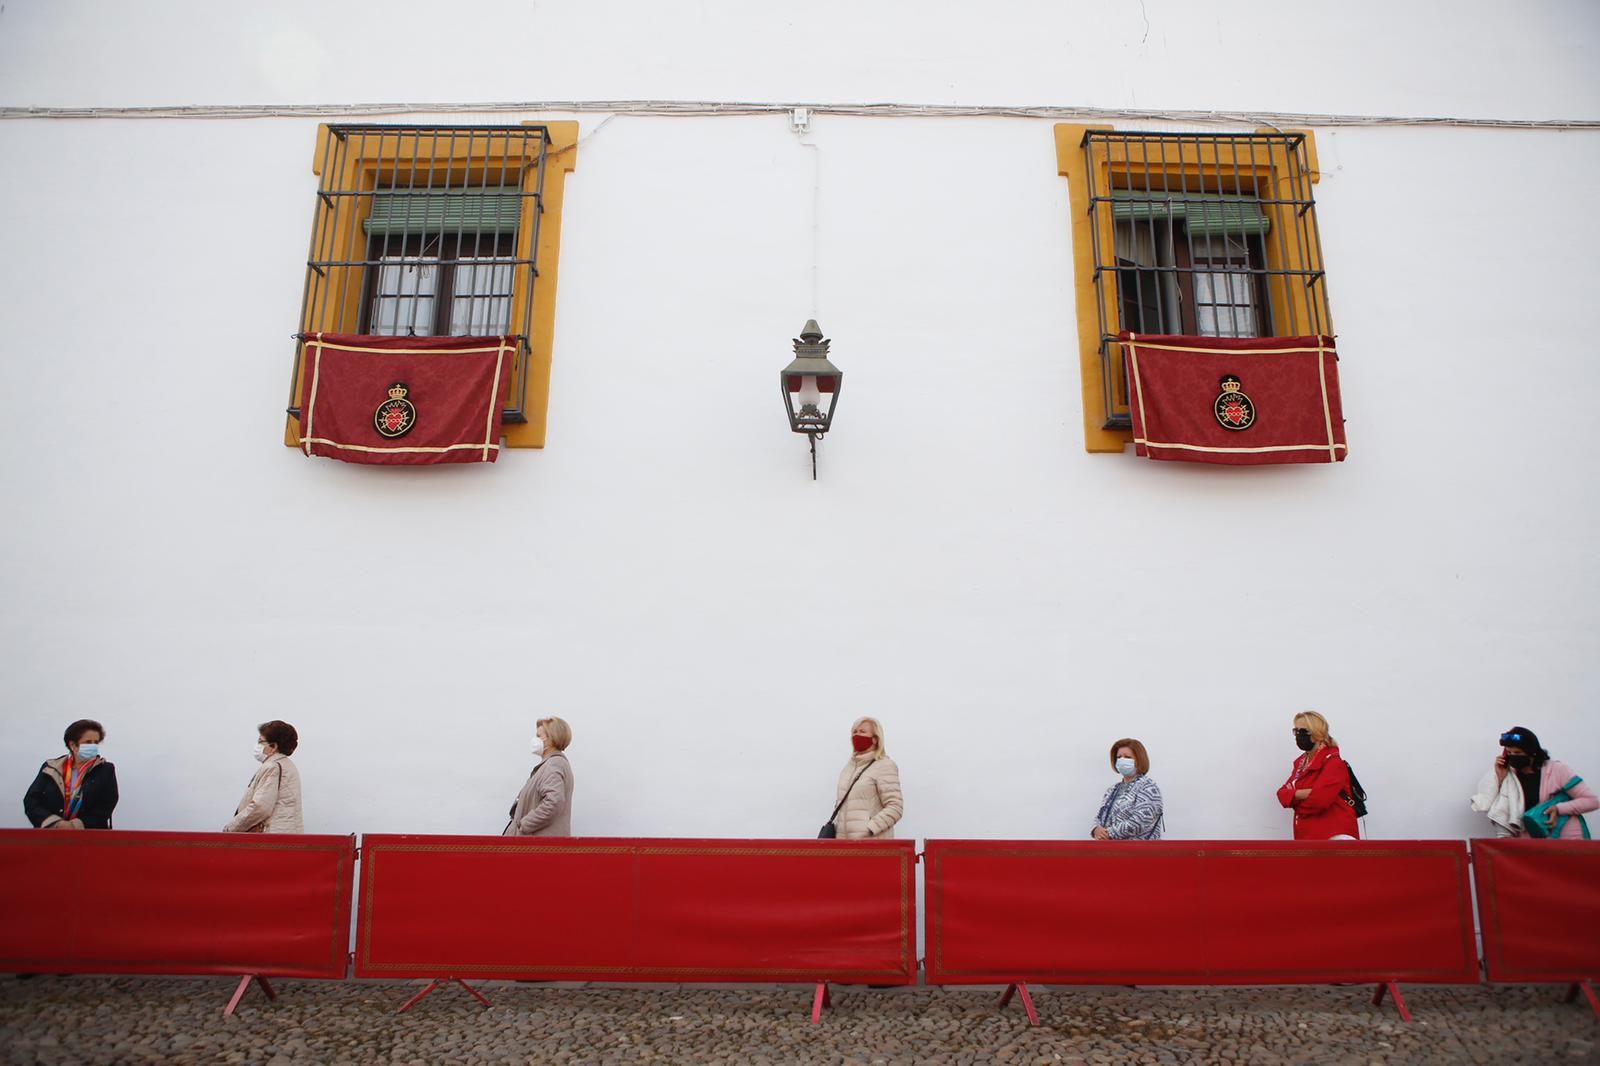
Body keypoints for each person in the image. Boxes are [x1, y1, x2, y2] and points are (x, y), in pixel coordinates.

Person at [1471, 726, 1597, 838]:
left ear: (1532, 753)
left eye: (1518, 753)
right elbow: (1498, 806)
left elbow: (1592, 801)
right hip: (1534, 842)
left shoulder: (1557, 770)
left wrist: (1558, 809)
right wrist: (1501, 778)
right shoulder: (1510, 776)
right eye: (1509, 752)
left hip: (1567, 838)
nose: (1513, 756)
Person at [1275, 711, 1359, 840]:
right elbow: (1281, 793)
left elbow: (1319, 801)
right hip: (1309, 836)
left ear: (1317, 733)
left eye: (1303, 732)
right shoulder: (1301, 763)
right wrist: (1303, 793)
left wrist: (1294, 799)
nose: (1298, 735)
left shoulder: (1333, 763)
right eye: (1295, 731)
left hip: (1334, 836)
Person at [24, 719, 119, 830]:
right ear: (73, 745)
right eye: (88, 742)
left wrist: (75, 825)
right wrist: (56, 823)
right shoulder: (51, 767)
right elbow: (32, 801)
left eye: (96, 742)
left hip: (89, 837)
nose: (93, 746)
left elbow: (106, 805)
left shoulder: (105, 770)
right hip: (51, 835)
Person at [223, 721, 303, 833]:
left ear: (274, 746)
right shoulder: (286, 765)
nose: (257, 746)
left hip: (272, 837)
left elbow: (260, 807)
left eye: (261, 742)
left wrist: (231, 828)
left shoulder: (273, 766)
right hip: (285, 834)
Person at [831, 717, 903, 840]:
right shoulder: (848, 768)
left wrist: (869, 829)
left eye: (862, 732)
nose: (857, 735)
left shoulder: (884, 765)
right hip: (845, 845)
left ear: (875, 739)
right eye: (854, 732)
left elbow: (895, 807)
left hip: (872, 845)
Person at [505, 716, 574, 836]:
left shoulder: (553, 765)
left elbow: (553, 802)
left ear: (552, 738)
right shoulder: (549, 765)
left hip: (538, 846)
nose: (535, 740)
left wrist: (524, 824)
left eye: (539, 736)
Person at [1090, 738, 1164, 840]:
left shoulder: (1148, 787)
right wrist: (1096, 830)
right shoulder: (1112, 790)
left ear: (1139, 759)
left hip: (1138, 852)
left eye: (1127, 757)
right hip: (1110, 850)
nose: (1122, 760)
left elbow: (1140, 821)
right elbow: (1099, 816)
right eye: (1119, 757)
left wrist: (1109, 833)